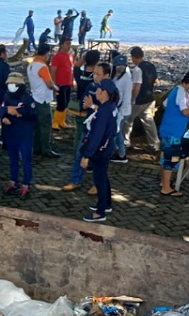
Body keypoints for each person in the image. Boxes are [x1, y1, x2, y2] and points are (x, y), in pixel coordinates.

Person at [158, 70, 189, 197]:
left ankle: (164, 182)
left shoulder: (175, 90)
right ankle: (166, 188)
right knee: (171, 159)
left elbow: (165, 105)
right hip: (173, 132)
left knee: (166, 157)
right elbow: (185, 111)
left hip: (167, 129)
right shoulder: (182, 92)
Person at [63, 58, 109, 192]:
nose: (94, 76)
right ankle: (76, 180)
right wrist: (86, 106)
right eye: (94, 73)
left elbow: (107, 111)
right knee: (80, 153)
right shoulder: (92, 86)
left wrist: (93, 105)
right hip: (88, 126)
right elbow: (84, 103)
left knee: (98, 158)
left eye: (98, 74)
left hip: (101, 130)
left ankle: (98, 184)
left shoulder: (110, 90)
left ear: (107, 76)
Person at [80, 78, 119, 222]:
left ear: (105, 93)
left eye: (98, 90)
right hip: (107, 147)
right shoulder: (110, 107)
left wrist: (86, 155)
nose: (96, 91)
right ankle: (107, 203)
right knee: (103, 176)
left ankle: (100, 211)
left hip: (100, 150)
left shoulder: (104, 111)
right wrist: (93, 106)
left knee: (99, 179)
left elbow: (96, 136)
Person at [2, 72, 37, 199]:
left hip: (25, 134)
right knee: (13, 159)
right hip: (11, 133)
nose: (11, 86)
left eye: (14, 84)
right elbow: (3, 110)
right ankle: (13, 181)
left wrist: (20, 114)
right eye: (9, 83)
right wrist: (4, 118)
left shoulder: (27, 98)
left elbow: (34, 115)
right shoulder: (6, 96)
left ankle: (26, 184)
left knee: (26, 160)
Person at [125, 46, 160, 151]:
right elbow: (155, 80)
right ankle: (154, 144)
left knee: (127, 121)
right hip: (149, 98)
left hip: (138, 100)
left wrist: (132, 98)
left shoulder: (137, 70)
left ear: (133, 57)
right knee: (148, 121)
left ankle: (125, 142)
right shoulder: (151, 66)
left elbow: (136, 86)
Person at [27, 43, 59, 158]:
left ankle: (36, 147)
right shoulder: (42, 67)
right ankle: (45, 148)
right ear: (46, 54)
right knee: (46, 124)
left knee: (37, 125)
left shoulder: (31, 65)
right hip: (43, 99)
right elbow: (49, 84)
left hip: (34, 96)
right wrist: (57, 89)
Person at [51, 37, 75, 131]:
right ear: (61, 45)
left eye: (70, 43)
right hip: (60, 83)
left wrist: (73, 80)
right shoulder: (57, 57)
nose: (69, 45)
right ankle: (55, 121)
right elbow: (53, 71)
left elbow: (71, 69)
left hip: (68, 82)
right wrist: (53, 84)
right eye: (67, 43)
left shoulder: (70, 55)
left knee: (66, 103)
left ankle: (62, 121)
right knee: (61, 103)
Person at [111, 55, 132, 163]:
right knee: (118, 132)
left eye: (122, 65)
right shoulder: (115, 77)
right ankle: (121, 154)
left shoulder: (126, 79)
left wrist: (120, 111)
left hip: (122, 111)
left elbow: (126, 97)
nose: (120, 67)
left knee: (115, 131)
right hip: (116, 109)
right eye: (118, 65)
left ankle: (116, 153)